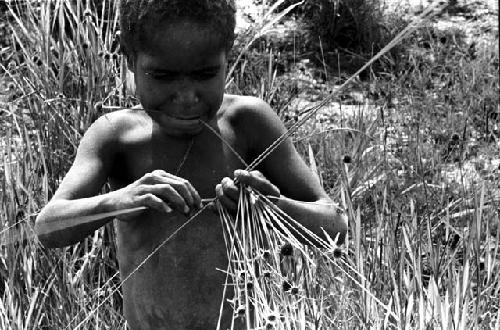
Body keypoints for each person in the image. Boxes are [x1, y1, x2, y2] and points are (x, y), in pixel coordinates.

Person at [34, 0, 348, 329]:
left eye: (205, 74)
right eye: (162, 76)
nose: (186, 96)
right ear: (128, 57)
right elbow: (48, 228)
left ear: (228, 54)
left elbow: (336, 227)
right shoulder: (115, 136)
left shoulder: (248, 124)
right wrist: (119, 200)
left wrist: (274, 208)